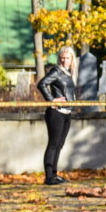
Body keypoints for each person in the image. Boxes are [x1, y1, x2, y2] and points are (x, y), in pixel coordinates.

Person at [37, 45, 76, 185]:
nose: (64, 60)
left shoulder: (68, 73)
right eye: (62, 58)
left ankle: (54, 174)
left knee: (59, 144)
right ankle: (49, 177)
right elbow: (42, 84)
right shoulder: (56, 71)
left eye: (67, 58)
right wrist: (51, 99)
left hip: (67, 112)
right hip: (56, 113)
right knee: (53, 144)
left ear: (72, 59)